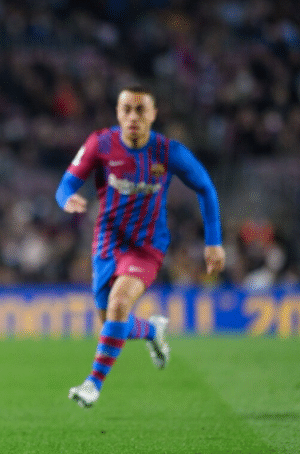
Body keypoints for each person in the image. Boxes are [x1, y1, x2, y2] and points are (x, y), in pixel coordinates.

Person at [55, 85, 225, 408]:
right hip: (107, 242)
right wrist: (67, 199)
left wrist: (214, 242)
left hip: (146, 246)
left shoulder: (168, 152)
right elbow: (66, 184)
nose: (133, 117)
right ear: (118, 113)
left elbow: (205, 188)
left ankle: (92, 384)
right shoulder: (100, 143)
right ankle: (151, 329)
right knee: (111, 322)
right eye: (127, 109)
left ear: (153, 114)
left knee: (119, 304)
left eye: (140, 110)